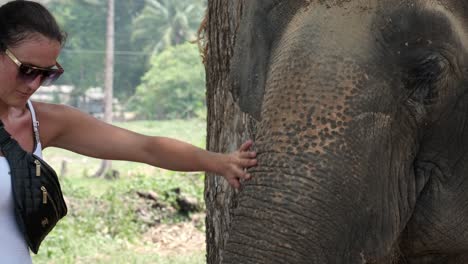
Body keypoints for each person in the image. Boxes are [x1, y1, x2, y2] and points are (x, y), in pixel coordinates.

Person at [0, 0, 257, 262]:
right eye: (27, 70)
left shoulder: (42, 121)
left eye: (46, 74)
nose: (34, 84)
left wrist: (221, 163)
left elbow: (146, 148)